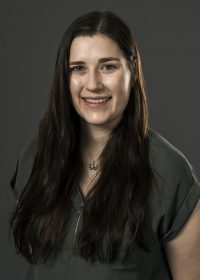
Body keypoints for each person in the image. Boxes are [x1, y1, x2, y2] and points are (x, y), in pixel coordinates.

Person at [10, 11, 200, 280]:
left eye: (108, 66)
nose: (93, 84)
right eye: (78, 68)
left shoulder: (170, 172)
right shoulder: (36, 156)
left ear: (132, 71)